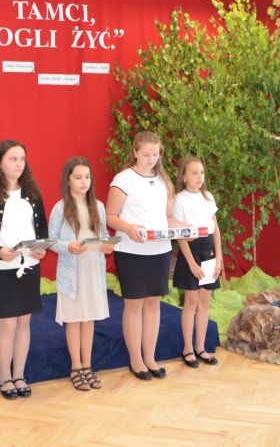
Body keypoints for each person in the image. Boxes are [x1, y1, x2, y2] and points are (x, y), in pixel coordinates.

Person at [0, 139, 48, 399]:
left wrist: (41, 247)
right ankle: (5, 377)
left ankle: (20, 375)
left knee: (24, 324)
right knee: (7, 326)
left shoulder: (33, 195)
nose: (19, 164)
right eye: (13, 159)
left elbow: (42, 227)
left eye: (22, 159)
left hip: (28, 267)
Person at [105, 130, 187, 380]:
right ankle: (136, 360)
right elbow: (110, 216)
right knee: (134, 306)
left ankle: (150, 357)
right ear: (135, 152)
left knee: (153, 305)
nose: (151, 159)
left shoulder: (163, 180)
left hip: (160, 251)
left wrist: (186, 229)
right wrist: (129, 228)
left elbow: (168, 217)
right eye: (146, 154)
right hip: (131, 252)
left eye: (155, 154)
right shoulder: (123, 179)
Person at [48, 157, 114, 391]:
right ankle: (75, 366)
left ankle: (87, 365)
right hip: (72, 271)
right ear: (68, 181)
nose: (84, 181)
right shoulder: (60, 208)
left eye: (87, 177)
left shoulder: (98, 206)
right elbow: (52, 241)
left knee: (89, 318)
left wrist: (107, 246)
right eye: (78, 177)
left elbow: (104, 235)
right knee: (74, 318)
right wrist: (68, 246)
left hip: (93, 268)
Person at [171, 156, 223, 367]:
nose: (199, 177)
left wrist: (218, 259)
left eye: (201, 172)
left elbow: (216, 230)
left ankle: (201, 347)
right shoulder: (179, 199)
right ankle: (188, 349)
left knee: (204, 302)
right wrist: (191, 263)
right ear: (184, 177)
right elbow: (180, 236)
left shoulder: (208, 197)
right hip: (191, 254)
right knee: (191, 302)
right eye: (194, 173)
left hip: (208, 254)